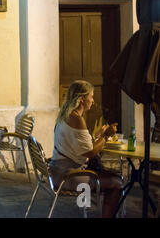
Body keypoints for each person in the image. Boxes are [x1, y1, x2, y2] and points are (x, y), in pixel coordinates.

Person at [49, 80, 123, 218]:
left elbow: (79, 146)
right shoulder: (77, 119)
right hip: (69, 176)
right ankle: (92, 212)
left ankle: (83, 211)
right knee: (117, 182)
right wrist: (106, 136)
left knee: (106, 175)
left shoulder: (65, 115)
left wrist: (98, 136)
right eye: (91, 96)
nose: (93, 101)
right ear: (82, 99)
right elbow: (90, 152)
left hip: (57, 171)